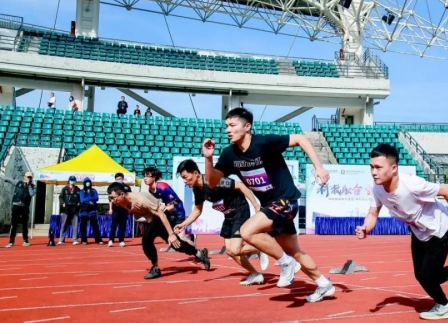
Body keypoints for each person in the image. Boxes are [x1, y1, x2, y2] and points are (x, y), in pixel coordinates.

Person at [202, 107, 334, 303]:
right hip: (270, 206)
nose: (228, 130)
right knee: (295, 251)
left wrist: (319, 167)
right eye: (226, 126)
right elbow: (213, 182)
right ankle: (324, 284)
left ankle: (285, 263)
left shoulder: (264, 143)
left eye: (232, 125)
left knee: (247, 231)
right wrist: (208, 158)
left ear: (247, 126)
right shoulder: (229, 154)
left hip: (286, 200)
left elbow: (300, 139)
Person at [355, 143, 448, 320]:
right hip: (418, 231)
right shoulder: (377, 189)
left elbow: (446, 190)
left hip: (439, 228)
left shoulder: (412, 184)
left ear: (393, 168)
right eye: (371, 167)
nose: (374, 172)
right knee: (421, 275)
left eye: (378, 167)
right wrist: (366, 227)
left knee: (427, 275)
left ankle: (444, 305)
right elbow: (373, 213)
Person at [174, 159, 271, 286]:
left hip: (240, 211)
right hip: (228, 215)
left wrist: (256, 205)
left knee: (235, 249)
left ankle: (260, 249)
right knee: (230, 251)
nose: (184, 181)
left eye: (185, 177)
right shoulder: (197, 189)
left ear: (196, 173)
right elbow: (197, 210)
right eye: (183, 178)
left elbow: (240, 186)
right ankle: (256, 274)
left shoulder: (213, 181)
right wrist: (184, 224)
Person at [107, 182, 211, 279]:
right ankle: (199, 253)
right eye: (110, 198)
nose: (112, 201)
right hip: (152, 219)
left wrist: (171, 234)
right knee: (176, 245)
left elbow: (161, 214)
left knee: (147, 240)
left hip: (162, 215)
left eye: (113, 198)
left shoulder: (141, 200)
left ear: (122, 194)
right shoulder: (121, 203)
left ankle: (155, 268)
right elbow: (138, 213)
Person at [142, 167, 195, 251]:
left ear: (154, 177)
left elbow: (171, 206)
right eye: (144, 176)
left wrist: (159, 212)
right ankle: (190, 238)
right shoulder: (150, 190)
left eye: (147, 176)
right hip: (168, 214)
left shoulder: (163, 187)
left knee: (181, 238)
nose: (145, 178)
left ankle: (198, 252)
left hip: (178, 213)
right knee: (168, 235)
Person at [0, 171, 36, 248]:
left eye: (30, 177)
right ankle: (11, 241)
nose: (28, 178)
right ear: (24, 177)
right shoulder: (18, 183)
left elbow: (32, 194)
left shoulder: (33, 187)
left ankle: (25, 240)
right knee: (14, 224)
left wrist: (29, 185)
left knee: (25, 225)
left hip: (25, 207)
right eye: (27, 177)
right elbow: (7, 179)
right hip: (16, 206)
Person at [108, 173, 131, 247]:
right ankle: (111, 240)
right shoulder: (112, 187)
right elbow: (110, 199)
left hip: (124, 209)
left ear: (123, 179)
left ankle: (121, 240)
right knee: (113, 225)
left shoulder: (127, 187)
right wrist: (110, 209)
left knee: (122, 226)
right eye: (117, 179)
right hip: (115, 209)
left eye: (120, 179)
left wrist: (129, 208)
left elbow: (129, 198)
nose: (119, 180)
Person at [79, 177, 103, 245]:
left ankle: (98, 240)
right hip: (84, 212)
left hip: (92, 211)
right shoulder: (82, 191)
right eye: (86, 182)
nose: (88, 183)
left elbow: (96, 198)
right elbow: (82, 200)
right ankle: (84, 240)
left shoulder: (94, 190)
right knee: (83, 227)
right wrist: (90, 201)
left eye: (89, 182)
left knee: (95, 226)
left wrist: (88, 200)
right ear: (84, 183)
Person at [58, 175, 81, 245]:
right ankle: (61, 239)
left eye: (74, 180)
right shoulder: (64, 189)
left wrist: (79, 202)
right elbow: (60, 197)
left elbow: (81, 198)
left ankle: (75, 239)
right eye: (71, 180)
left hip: (75, 209)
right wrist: (62, 203)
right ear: (69, 181)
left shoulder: (78, 189)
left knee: (75, 225)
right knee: (64, 224)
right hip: (66, 209)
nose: (72, 182)